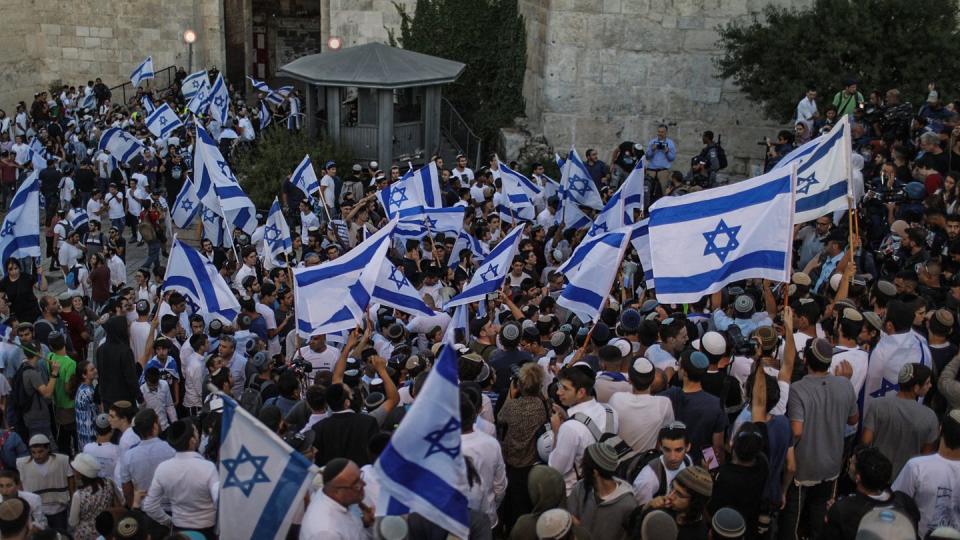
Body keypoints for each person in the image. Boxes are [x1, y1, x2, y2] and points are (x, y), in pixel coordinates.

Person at [781, 338, 859, 540]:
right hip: (831, 466)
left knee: (793, 519)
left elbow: (796, 430)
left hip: (803, 466)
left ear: (806, 360)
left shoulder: (797, 389)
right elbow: (853, 419)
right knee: (821, 518)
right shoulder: (845, 384)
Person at [822, 447, 920, 540]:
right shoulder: (904, 501)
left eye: (853, 463)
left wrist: (833, 513)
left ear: (858, 477)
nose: (850, 461)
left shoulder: (844, 510)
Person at [548, 365, 619, 494]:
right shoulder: (610, 411)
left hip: (579, 494)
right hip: (608, 487)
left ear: (581, 392)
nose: (559, 392)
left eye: (565, 388)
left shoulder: (570, 428)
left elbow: (556, 469)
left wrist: (557, 432)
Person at [142, 419, 219, 537]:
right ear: (192, 440)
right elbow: (219, 500)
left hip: (179, 530)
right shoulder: (208, 467)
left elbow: (149, 506)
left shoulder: (163, 468)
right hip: (207, 530)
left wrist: (168, 521)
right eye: (195, 432)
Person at [862, 363, 939, 481]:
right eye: (927, 383)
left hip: (874, 477)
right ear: (916, 388)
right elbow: (925, 457)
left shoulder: (877, 405)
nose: (930, 385)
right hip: (906, 481)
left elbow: (866, 441)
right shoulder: (930, 417)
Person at [565, 442, 637, 540]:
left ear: (595, 472)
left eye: (585, 464)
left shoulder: (628, 505)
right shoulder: (581, 487)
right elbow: (570, 514)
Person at [608, 357, 674, 454]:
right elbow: (668, 436)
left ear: (629, 380)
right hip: (645, 463)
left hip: (616, 460)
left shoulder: (616, 398)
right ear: (651, 381)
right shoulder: (664, 403)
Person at [299, 457, 374, 538]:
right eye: (356, 485)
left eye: (360, 476)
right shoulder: (326, 532)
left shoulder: (331, 494)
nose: (364, 484)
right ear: (337, 492)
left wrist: (364, 522)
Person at [115, 409, 174, 508]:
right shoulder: (171, 450)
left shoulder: (129, 456)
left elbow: (127, 489)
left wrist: (133, 508)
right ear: (155, 427)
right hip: (169, 508)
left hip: (144, 508)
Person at [17, 434, 73, 531]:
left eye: (40, 452)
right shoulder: (22, 464)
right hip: (37, 510)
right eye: (33, 452)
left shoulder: (62, 461)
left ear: (48, 449)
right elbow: (21, 485)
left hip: (58, 508)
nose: (37, 456)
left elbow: (70, 478)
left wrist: (72, 498)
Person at [632, 422, 693, 506]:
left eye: (678, 450)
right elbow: (639, 513)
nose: (672, 457)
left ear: (688, 447)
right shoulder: (647, 480)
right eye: (667, 450)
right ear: (660, 447)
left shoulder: (687, 460)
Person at [67, 452, 123, 540]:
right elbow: (120, 500)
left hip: (85, 535)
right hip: (107, 530)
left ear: (81, 473)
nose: (74, 471)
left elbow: (73, 522)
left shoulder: (79, 495)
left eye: (75, 470)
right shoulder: (108, 482)